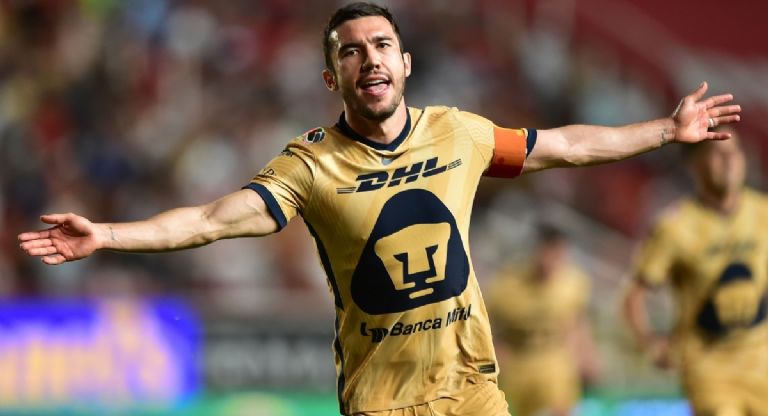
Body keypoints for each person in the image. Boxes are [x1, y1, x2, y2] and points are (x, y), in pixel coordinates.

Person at [17, 2, 741, 416]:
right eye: (352, 51)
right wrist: (106, 233)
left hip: (473, 392)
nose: (371, 58)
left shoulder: (458, 133)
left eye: (383, 45)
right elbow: (210, 220)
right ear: (331, 77)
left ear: (405, 64)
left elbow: (565, 146)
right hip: (383, 402)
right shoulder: (309, 165)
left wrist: (665, 129)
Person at [623, 127, 768, 416]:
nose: (729, 160)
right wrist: (651, 344)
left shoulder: (762, 211)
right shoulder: (675, 226)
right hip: (709, 368)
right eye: (717, 153)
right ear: (694, 164)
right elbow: (634, 297)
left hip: (760, 362)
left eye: (735, 152)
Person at [486, 224, 599, 416]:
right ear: (537, 250)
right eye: (549, 251)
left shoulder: (574, 283)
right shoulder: (507, 285)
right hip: (517, 365)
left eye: (559, 254)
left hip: (555, 362)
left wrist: (587, 355)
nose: (553, 260)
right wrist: (492, 356)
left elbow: (577, 323)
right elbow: (485, 327)